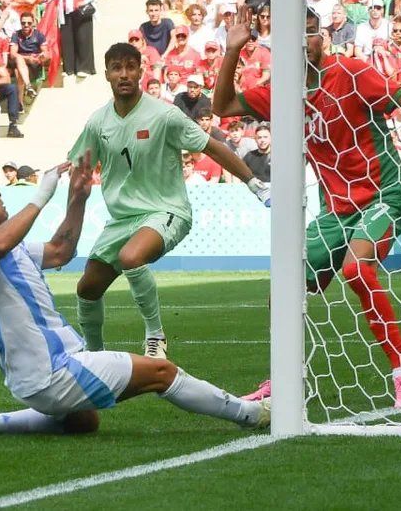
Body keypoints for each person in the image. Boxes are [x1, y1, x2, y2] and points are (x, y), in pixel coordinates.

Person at [212, 9, 401, 408]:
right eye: (295, 37)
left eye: (311, 34)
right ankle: (282, 377)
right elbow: (224, 105)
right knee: (282, 288)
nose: (305, 43)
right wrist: (232, 50)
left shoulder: (351, 73)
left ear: (324, 38)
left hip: (384, 195)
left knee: (356, 269)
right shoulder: (283, 92)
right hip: (336, 209)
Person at [0, 159, 269, 437]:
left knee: (82, 422)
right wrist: (40, 196)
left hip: (37, 372)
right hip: (51, 370)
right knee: (161, 372)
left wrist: (77, 198)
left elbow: (60, 251)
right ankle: (253, 414)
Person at [68, 42, 270, 360]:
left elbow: (212, 147)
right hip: (123, 219)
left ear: (140, 70)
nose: (124, 74)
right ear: (106, 73)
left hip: (167, 209)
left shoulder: (164, 115)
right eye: (116, 67)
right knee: (87, 289)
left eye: (130, 67)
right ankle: (94, 356)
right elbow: (78, 170)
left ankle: (155, 335)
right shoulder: (98, 122)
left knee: (133, 257)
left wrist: (254, 183)